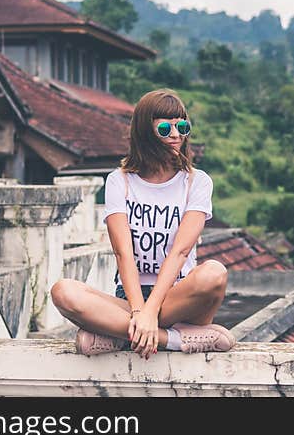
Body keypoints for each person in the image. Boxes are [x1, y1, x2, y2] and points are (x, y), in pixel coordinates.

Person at [50, 88, 235, 358]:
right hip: (128, 300)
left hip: (179, 297)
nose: (176, 135)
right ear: (145, 132)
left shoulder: (196, 181)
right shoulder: (120, 180)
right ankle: (169, 339)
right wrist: (139, 311)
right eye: (165, 129)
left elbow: (180, 251)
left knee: (214, 273)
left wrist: (151, 311)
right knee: (63, 291)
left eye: (182, 126)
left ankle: (119, 336)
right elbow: (123, 252)